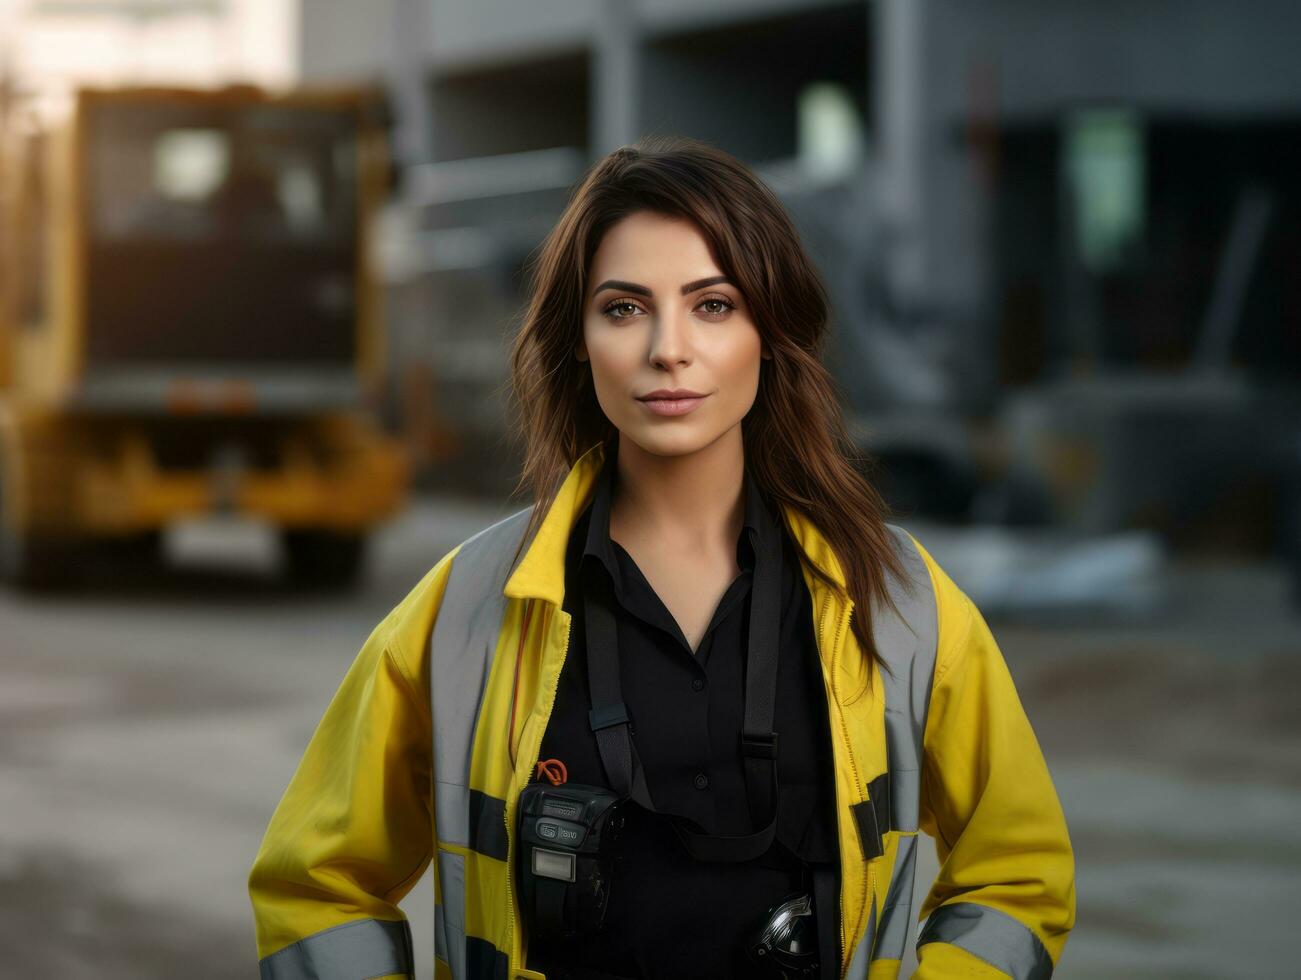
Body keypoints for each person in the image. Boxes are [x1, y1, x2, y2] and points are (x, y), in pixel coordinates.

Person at [248, 136, 1075, 980]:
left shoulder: (901, 606)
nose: (666, 350)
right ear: (576, 337)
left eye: (712, 305)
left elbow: (1017, 876)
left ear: (769, 329)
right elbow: (316, 887)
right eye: (624, 308)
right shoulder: (461, 612)